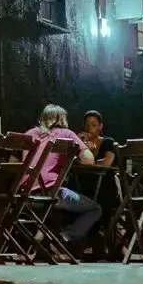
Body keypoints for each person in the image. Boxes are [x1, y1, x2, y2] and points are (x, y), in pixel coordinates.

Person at [23, 104, 99, 249]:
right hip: (51, 193)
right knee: (94, 209)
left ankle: (44, 238)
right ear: (62, 119)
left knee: (55, 212)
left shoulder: (29, 133)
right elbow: (89, 159)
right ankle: (63, 238)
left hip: (24, 195)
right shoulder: (66, 134)